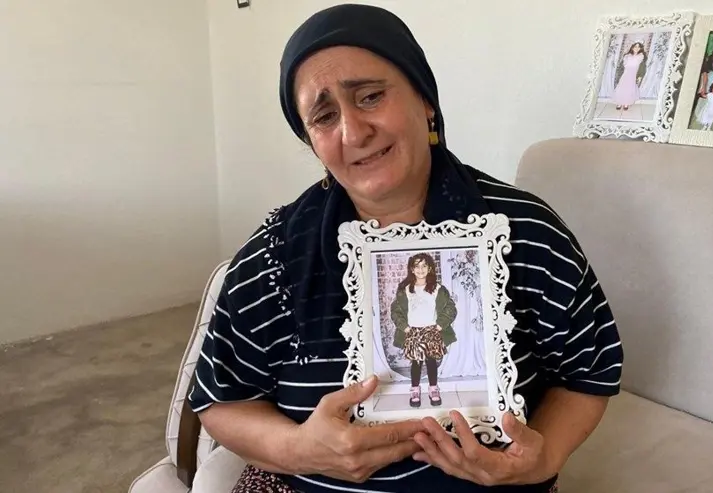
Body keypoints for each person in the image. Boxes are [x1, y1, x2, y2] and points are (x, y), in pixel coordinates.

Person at [188, 4, 624, 493]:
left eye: (370, 96)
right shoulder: (276, 254)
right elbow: (219, 400)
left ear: (425, 99)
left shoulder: (525, 231)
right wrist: (299, 451)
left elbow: (588, 372)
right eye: (325, 116)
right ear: (311, 141)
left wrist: (542, 460)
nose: (354, 132)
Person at [390, 252, 458, 408]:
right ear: (412, 269)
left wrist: (440, 325)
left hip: (431, 330)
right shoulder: (406, 290)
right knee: (416, 362)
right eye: (417, 266)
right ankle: (415, 390)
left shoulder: (437, 289)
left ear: (430, 269)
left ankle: (433, 389)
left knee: (431, 361)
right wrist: (405, 327)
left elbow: (450, 308)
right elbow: (395, 311)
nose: (420, 269)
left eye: (424, 266)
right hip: (413, 331)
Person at [611, 42, 647, 110]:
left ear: (640, 48)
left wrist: (640, 76)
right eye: (635, 46)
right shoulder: (627, 56)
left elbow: (643, 67)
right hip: (625, 74)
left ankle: (626, 103)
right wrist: (619, 74)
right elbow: (621, 66)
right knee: (621, 87)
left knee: (630, 88)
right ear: (632, 47)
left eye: (638, 47)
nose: (637, 48)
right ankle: (619, 102)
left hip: (633, 75)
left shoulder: (641, 57)